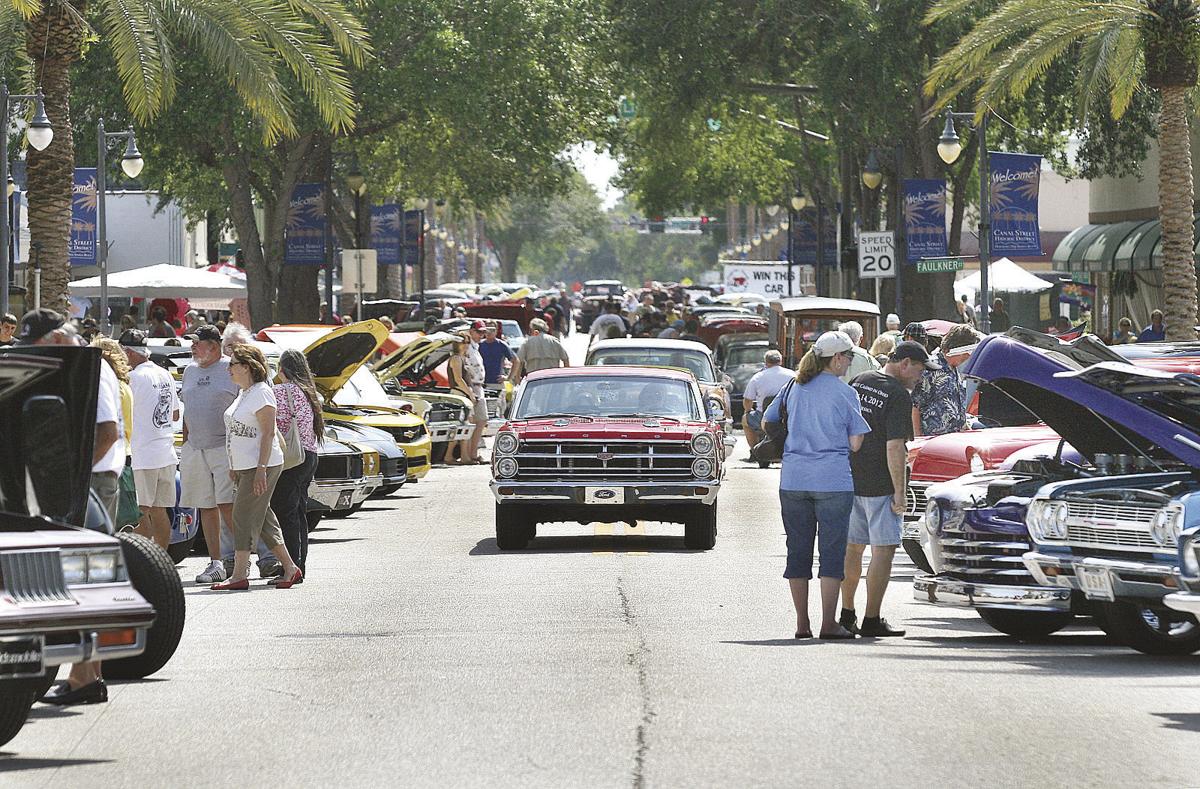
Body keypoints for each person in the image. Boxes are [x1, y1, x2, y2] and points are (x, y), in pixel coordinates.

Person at [19, 309, 122, 706]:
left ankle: (84, 676)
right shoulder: (72, 367)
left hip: (90, 482)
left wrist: (72, 480)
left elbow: (108, 433)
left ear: (59, 339)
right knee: (82, 579)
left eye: (38, 345)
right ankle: (87, 675)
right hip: (78, 482)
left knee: (85, 579)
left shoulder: (89, 369)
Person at [763, 331, 869, 640]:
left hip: (794, 478)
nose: (849, 364)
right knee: (832, 553)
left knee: (797, 551)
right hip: (833, 479)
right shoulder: (845, 393)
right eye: (848, 358)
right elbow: (856, 443)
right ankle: (827, 624)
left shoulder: (793, 386)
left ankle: (801, 624)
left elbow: (768, 419)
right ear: (836, 358)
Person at [841, 342, 936, 637]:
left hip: (850, 477)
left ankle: (846, 615)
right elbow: (895, 446)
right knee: (883, 551)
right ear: (905, 363)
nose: (920, 379)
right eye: (919, 371)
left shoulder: (861, 381)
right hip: (881, 483)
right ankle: (872, 619)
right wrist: (900, 491)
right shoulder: (897, 395)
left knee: (852, 549)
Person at [211, 343, 303, 590]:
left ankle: (240, 574)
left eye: (233, 364)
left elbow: (268, 434)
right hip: (245, 466)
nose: (228, 368)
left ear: (247, 367)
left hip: (261, 465)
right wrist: (234, 465)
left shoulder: (262, 392)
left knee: (241, 515)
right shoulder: (245, 393)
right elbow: (237, 434)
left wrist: (261, 468)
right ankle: (291, 568)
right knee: (263, 519)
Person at [181, 325, 241, 583]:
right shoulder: (189, 370)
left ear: (214, 346)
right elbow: (187, 409)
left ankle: (240, 561)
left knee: (227, 506)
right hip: (195, 448)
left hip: (224, 448)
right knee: (205, 505)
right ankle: (216, 563)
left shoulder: (232, 369)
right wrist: (185, 443)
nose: (193, 347)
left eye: (197, 343)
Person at [121, 329, 180, 550]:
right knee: (159, 510)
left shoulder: (134, 378)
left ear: (127, 352)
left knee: (139, 513)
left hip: (142, 454)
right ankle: (161, 559)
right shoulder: (163, 373)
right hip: (165, 450)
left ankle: (139, 563)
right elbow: (174, 413)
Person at [272, 349, 323, 580]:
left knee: (286, 514)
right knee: (299, 512)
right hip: (310, 455)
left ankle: (290, 567)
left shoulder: (280, 391)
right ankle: (299, 564)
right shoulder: (309, 392)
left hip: (291, 457)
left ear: (282, 369)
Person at [912, 324, 979, 437]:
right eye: (967, 350)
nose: (969, 356)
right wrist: (918, 439)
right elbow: (914, 406)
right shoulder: (929, 368)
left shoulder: (954, 370)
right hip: (932, 441)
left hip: (954, 440)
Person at [741, 350, 794, 455]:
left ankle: (754, 450)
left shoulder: (758, 377)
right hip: (788, 417)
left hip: (763, 418)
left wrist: (748, 411)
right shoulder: (792, 375)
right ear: (781, 361)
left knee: (744, 419)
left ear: (765, 362)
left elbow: (748, 400)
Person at [511, 318, 570, 382]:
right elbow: (565, 359)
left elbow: (520, 361)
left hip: (533, 378)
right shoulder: (554, 341)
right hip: (552, 378)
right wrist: (565, 378)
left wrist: (517, 378)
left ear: (532, 329)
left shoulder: (527, 342)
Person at [446, 341, 476, 465]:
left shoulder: (463, 358)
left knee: (465, 427)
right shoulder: (456, 358)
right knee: (459, 426)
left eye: (468, 342)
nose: (466, 344)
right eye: (463, 342)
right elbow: (458, 379)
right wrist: (470, 393)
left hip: (464, 395)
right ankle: (448, 456)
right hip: (459, 395)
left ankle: (464, 456)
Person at [464, 321, 489, 462]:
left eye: (483, 332)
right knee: (474, 421)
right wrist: (469, 390)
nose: (482, 335)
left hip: (479, 386)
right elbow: (466, 369)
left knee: (481, 420)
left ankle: (473, 453)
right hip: (472, 386)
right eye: (479, 332)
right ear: (471, 331)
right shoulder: (467, 347)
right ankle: (470, 454)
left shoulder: (476, 347)